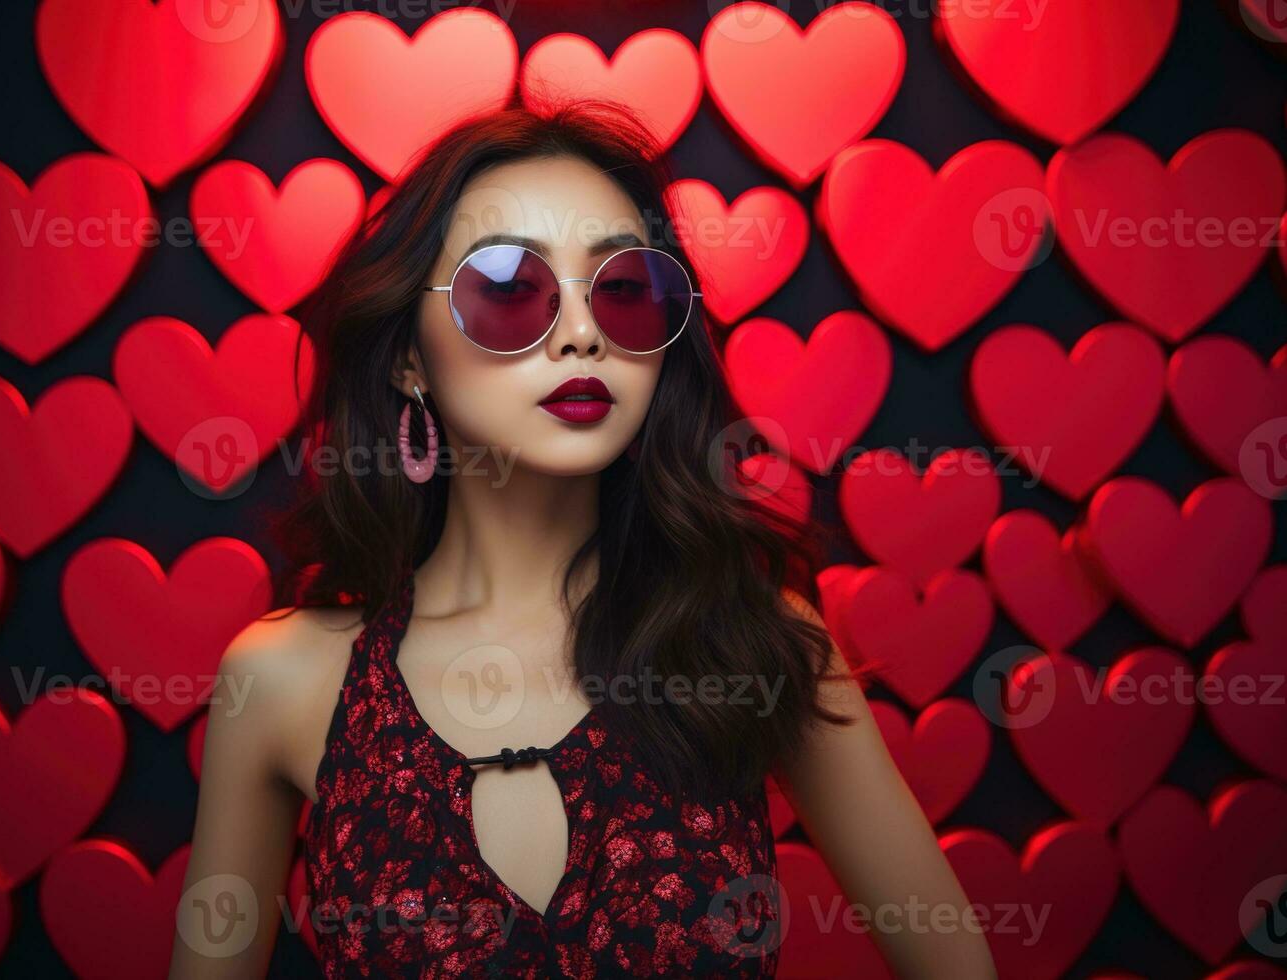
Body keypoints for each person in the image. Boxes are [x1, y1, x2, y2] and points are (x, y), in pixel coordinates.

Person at [170, 97, 997, 979]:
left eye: (624, 291)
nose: (581, 334)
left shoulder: (754, 643)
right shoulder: (281, 681)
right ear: (410, 357)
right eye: (508, 290)